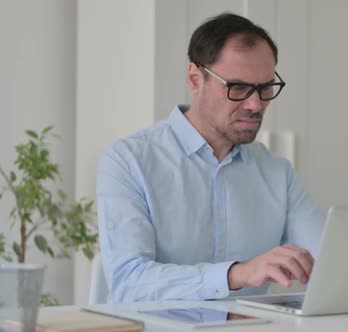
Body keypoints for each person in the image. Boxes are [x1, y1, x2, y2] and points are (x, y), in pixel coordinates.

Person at [96, 13, 325, 303]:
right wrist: (235, 274)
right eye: (238, 88)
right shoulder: (129, 161)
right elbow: (129, 283)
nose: (255, 105)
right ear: (195, 78)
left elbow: (330, 263)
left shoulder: (278, 173)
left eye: (265, 88)